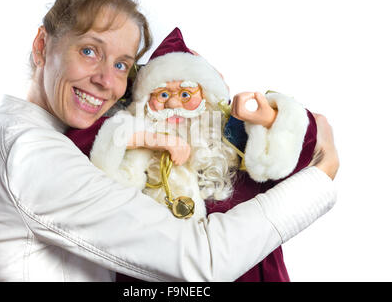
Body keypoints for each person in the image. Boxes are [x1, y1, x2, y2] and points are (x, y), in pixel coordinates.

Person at [0, 0, 339, 282]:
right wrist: (321, 177)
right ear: (42, 46)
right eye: (89, 51)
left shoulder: (53, 135)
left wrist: (190, 81)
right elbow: (201, 261)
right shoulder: (34, 156)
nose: (106, 81)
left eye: (121, 64)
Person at [65, 28, 321, 281]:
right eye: (162, 95)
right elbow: (80, 142)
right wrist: (154, 138)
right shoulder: (134, 144)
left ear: (208, 98)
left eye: (186, 94)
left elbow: (306, 149)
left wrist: (268, 117)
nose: (174, 105)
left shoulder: (232, 138)